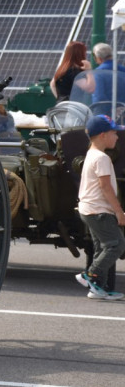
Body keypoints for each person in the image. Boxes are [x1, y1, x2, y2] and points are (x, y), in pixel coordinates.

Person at [74, 115, 125, 300]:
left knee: (101, 248)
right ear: (103, 135)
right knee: (117, 245)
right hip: (99, 211)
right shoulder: (102, 158)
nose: (117, 137)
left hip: (88, 210)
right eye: (114, 133)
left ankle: (97, 289)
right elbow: (106, 187)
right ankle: (90, 275)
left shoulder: (91, 153)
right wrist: (119, 211)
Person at [78, 43, 125, 116]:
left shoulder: (98, 73)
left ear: (99, 58)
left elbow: (99, 97)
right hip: (122, 113)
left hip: (106, 115)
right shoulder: (123, 70)